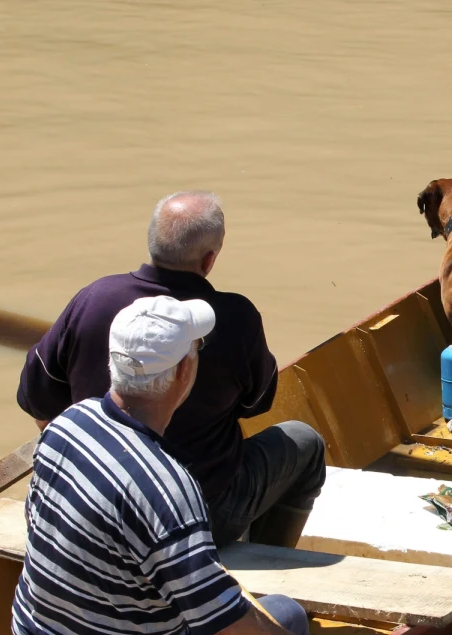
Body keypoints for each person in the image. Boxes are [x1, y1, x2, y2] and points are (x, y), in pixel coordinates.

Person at [11, 296, 335, 635]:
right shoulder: (169, 487)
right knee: (286, 617)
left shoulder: (68, 423)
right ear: (184, 372)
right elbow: (228, 626)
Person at [16, 191, 325, 548]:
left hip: (92, 499)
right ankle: (271, 561)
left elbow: (38, 397)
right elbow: (256, 403)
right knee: (304, 442)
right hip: (198, 511)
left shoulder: (94, 298)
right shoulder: (235, 318)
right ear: (210, 259)